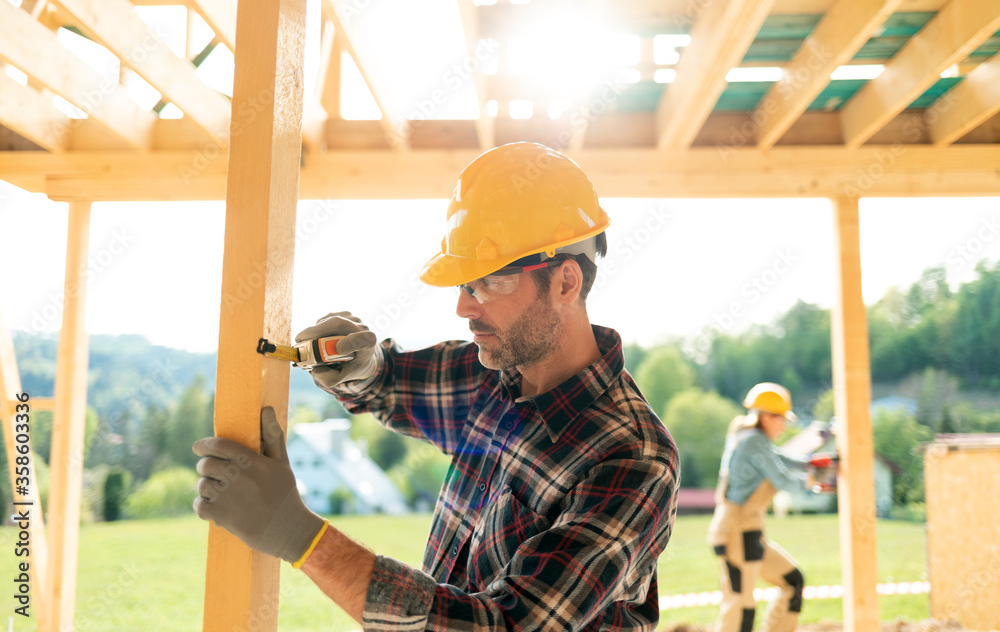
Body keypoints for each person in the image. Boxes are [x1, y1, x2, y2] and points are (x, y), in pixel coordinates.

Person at [193, 142, 680, 631]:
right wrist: (361, 366)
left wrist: (299, 536)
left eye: (489, 282)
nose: (465, 308)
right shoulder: (490, 379)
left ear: (566, 284)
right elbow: (388, 382)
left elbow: (504, 627)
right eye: (465, 285)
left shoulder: (633, 458)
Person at [707, 382, 834, 632]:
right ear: (765, 416)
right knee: (740, 606)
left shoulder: (753, 439)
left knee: (792, 582)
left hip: (750, 532)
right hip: (737, 531)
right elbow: (783, 479)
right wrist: (814, 480)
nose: (784, 425)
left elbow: (783, 457)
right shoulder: (753, 440)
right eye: (781, 419)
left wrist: (812, 463)